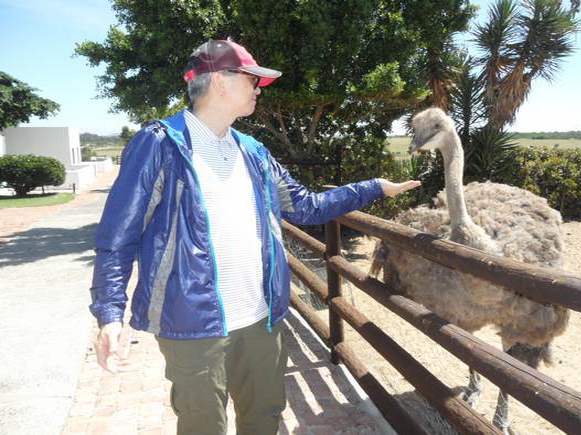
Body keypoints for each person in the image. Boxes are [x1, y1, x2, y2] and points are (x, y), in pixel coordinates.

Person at [89, 38, 421, 435]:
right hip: (191, 324)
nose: (259, 89)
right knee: (203, 427)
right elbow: (118, 235)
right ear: (220, 81)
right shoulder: (160, 144)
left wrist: (373, 187)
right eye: (252, 80)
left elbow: (306, 206)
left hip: (261, 318)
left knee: (264, 420)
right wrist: (109, 313)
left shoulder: (254, 152)